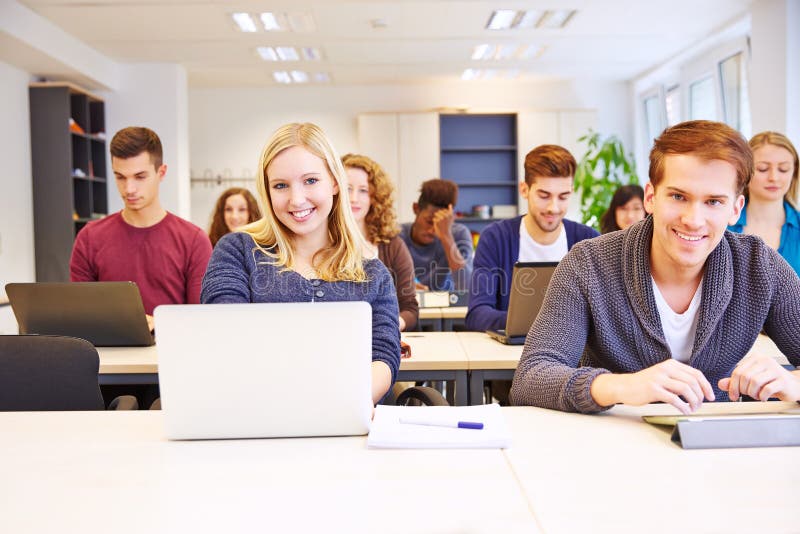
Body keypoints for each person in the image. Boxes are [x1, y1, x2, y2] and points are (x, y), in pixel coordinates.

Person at [510, 120, 800, 414]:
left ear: (735, 209)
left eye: (713, 202)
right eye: (678, 196)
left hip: (716, 447)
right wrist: (623, 386)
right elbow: (532, 376)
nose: (693, 219)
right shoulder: (589, 263)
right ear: (651, 197)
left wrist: (792, 382)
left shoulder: (760, 266)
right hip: (615, 443)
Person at [201, 123, 400, 404]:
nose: (296, 199)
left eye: (310, 181)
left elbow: (383, 355)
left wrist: (347, 402)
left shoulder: (371, 273)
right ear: (267, 192)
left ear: (334, 182)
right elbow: (226, 336)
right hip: (257, 412)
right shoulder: (237, 251)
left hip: (345, 421)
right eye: (281, 185)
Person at [70, 126, 212, 330]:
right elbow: (78, 314)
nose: (129, 189)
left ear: (161, 172)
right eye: (120, 177)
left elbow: (202, 319)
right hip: (107, 358)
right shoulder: (89, 238)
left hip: (169, 356)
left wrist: (160, 322)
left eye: (140, 177)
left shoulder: (193, 240)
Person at [466, 145, 599, 332]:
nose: (554, 207)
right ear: (524, 189)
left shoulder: (589, 241)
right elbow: (477, 314)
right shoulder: (496, 238)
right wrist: (551, 323)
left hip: (573, 358)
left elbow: (604, 316)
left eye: (563, 197)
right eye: (544, 196)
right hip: (510, 356)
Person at [342, 153, 418, 331]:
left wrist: (383, 329)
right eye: (347, 189)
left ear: (374, 198)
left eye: (363, 190)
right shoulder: (317, 242)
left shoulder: (392, 246)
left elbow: (410, 309)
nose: (354, 198)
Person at [728, 131, 800, 275]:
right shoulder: (724, 224)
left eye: (783, 169)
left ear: (794, 173)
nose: (774, 177)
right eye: (763, 169)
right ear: (745, 171)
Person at [399, 179, 474, 291]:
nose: (432, 230)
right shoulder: (397, 235)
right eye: (429, 221)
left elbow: (468, 289)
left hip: (447, 306)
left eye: (440, 224)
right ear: (416, 209)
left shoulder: (458, 234)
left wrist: (446, 236)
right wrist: (401, 287)